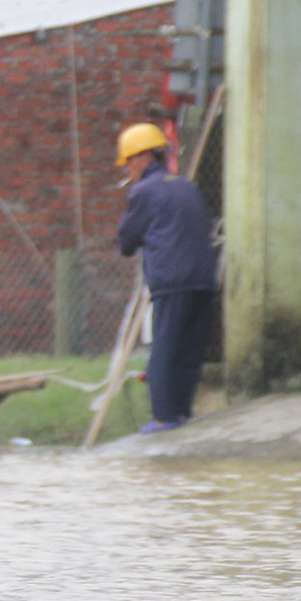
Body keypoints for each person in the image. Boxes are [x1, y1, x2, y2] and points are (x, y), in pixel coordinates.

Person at [114, 121, 218, 434]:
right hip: (203, 278)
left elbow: (126, 242)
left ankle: (163, 417)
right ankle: (182, 412)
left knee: (165, 349)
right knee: (189, 350)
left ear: (144, 157)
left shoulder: (143, 191)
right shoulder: (186, 185)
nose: (128, 169)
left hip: (172, 281)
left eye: (129, 161)